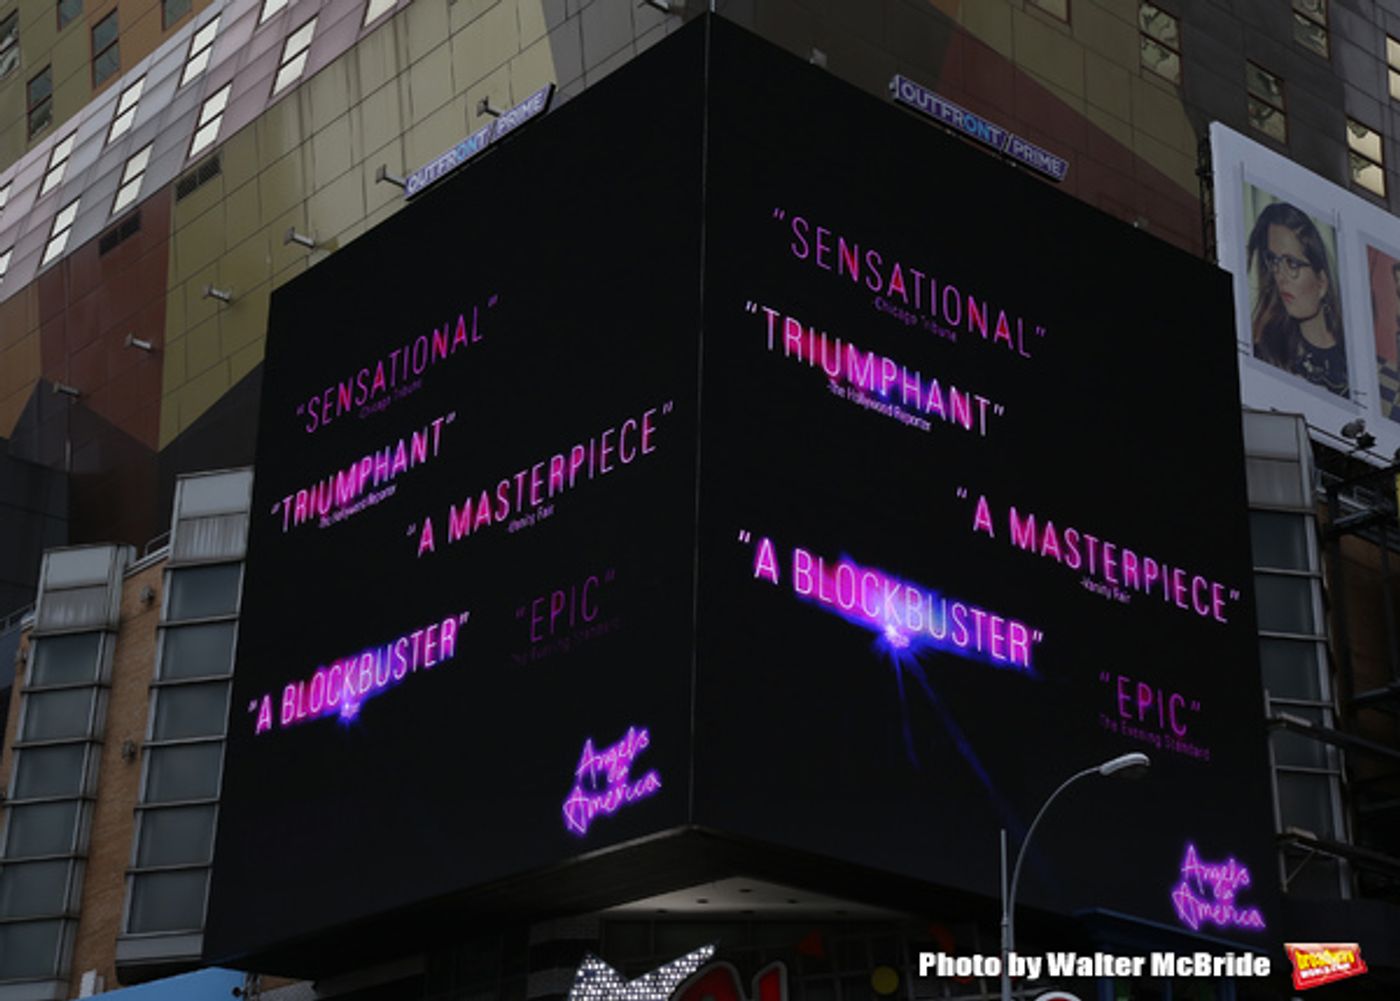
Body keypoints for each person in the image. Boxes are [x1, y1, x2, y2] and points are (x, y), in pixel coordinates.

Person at [1246, 201, 1348, 397]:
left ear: (1321, 282)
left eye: (1291, 263)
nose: (1280, 276)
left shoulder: (1357, 361)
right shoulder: (1267, 351)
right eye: (1273, 260)